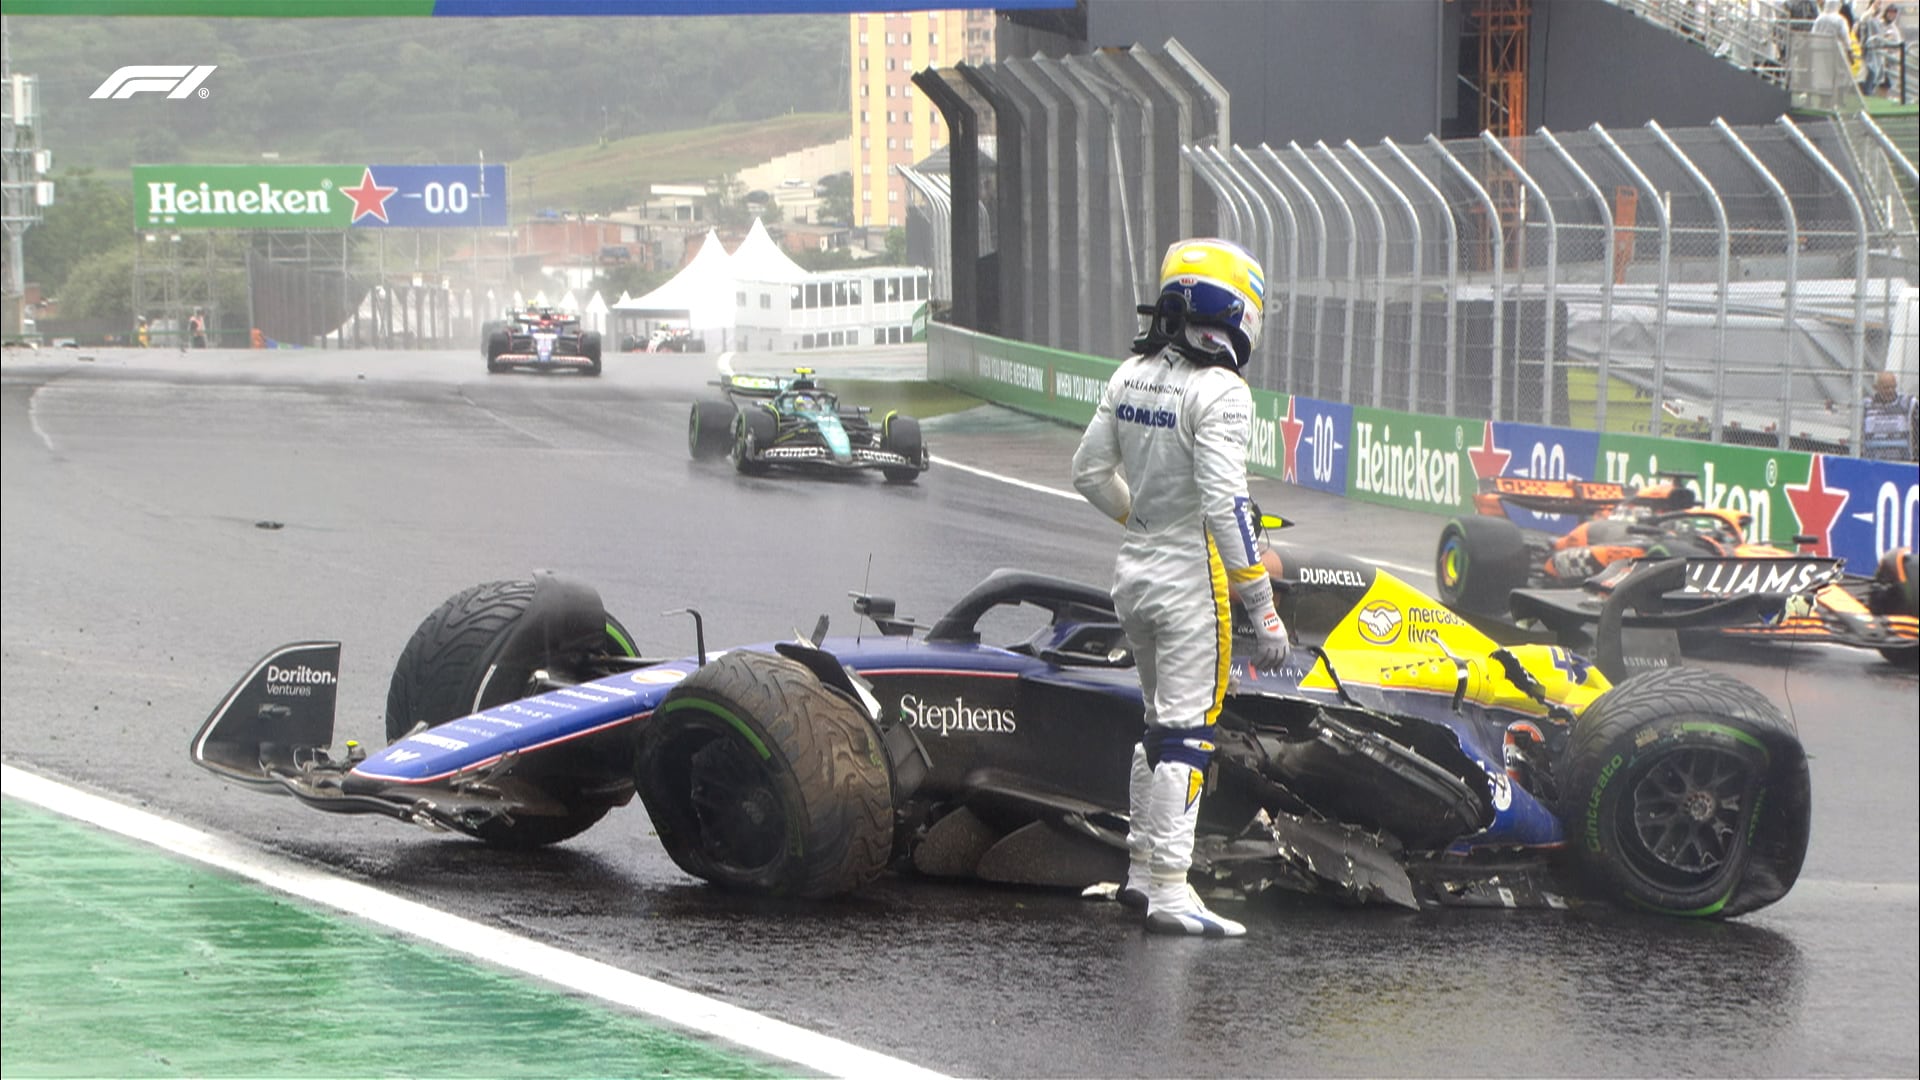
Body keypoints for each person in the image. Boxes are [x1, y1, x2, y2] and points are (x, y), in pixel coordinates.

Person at [1071, 237, 1291, 939]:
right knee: (1189, 736)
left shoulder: (1128, 374)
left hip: (1132, 573)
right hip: (1189, 579)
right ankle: (1170, 886)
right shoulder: (1221, 389)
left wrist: (1145, 522)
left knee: (1156, 727)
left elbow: (1087, 473)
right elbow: (1228, 505)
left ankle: (1142, 876)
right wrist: (1262, 606)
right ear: (1233, 309)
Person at [1862, 371, 1918, 460]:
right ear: (1876, 388)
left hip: (1901, 457)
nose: (1890, 391)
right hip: (1872, 458)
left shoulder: (1906, 403)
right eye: (1886, 388)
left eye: (1893, 387)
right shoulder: (1866, 404)